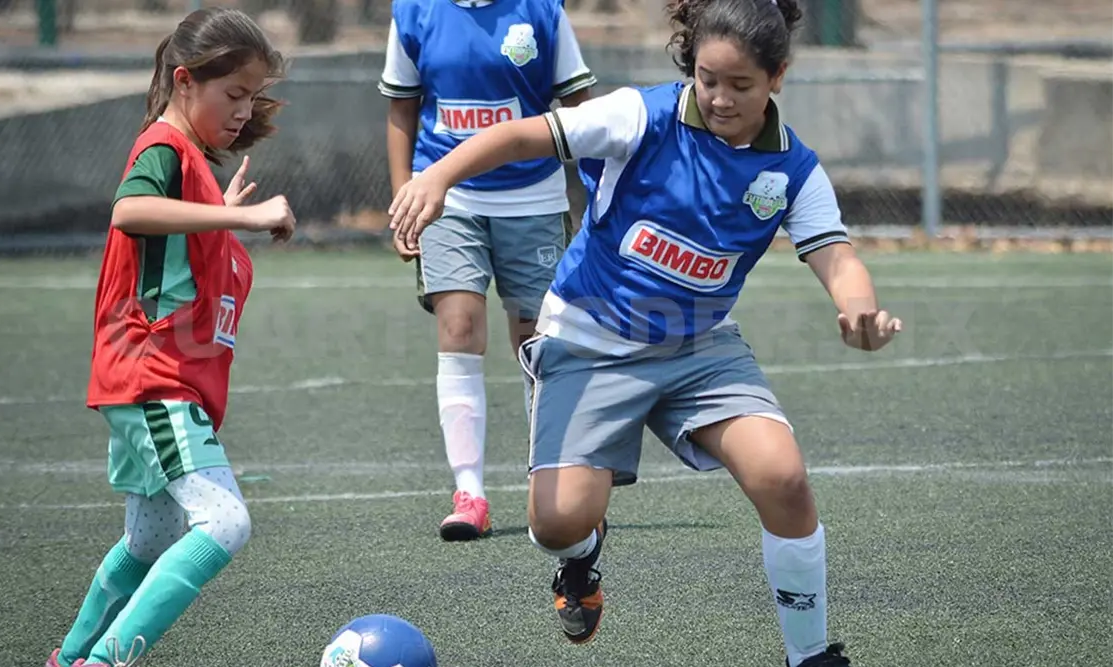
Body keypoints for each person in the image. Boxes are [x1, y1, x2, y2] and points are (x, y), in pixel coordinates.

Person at [388, 0, 903, 663]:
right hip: (589, 340)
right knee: (555, 522)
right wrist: (435, 177)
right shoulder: (640, 116)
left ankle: (810, 653)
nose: (718, 98)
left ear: (776, 77)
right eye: (707, 79)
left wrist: (858, 309)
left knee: (784, 478)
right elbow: (523, 135)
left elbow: (837, 255)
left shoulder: (791, 169)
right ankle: (581, 555)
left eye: (739, 85)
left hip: (698, 347)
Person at [45, 8, 295, 667]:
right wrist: (229, 213)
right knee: (226, 522)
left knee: (148, 539)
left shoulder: (196, 167)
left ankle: (70, 657)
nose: (244, 111)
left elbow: (187, 262)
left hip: (161, 379)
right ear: (185, 81)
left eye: (252, 97)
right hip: (153, 376)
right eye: (233, 93)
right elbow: (129, 210)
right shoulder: (163, 148)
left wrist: (224, 218)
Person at [379, 0, 598, 541]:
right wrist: (403, 196)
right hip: (446, 197)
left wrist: (602, 197)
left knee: (536, 340)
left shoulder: (543, 11)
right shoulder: (413, 11)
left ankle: (546, 481)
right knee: (458, 327)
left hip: (534, 201)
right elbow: (401, 110)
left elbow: (581, 109)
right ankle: (469, 492)